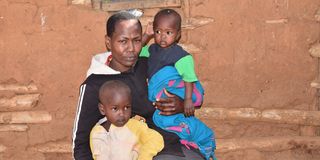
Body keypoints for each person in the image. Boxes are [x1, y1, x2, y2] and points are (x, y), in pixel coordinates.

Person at [72, 11, 206, 160]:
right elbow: (81, 144)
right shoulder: (95, 83)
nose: (131, 48)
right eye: (123, 41)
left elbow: (196, 92)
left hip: (172, 143)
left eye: (136, 41)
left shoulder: (149, 64)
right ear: (108, 42)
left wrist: (182, 104)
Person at [140, 9, 216, 160]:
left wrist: (187, 100)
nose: (162, 37)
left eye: (168, 32)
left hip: (176, 95)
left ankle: (186, 140)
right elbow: (137, 52)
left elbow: (188, 78)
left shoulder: (181, 56)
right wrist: (146, 35)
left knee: (179, 122)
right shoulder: (151, 50)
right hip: (158, 101)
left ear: (178, 34)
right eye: (158, 31)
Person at [90, 80, 164, 160]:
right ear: (102, 109)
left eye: (126, 107)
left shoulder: (135, 125)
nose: (122, 113)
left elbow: (156, 139)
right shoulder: (98, 134)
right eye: (115, 108)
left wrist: (144, 156)